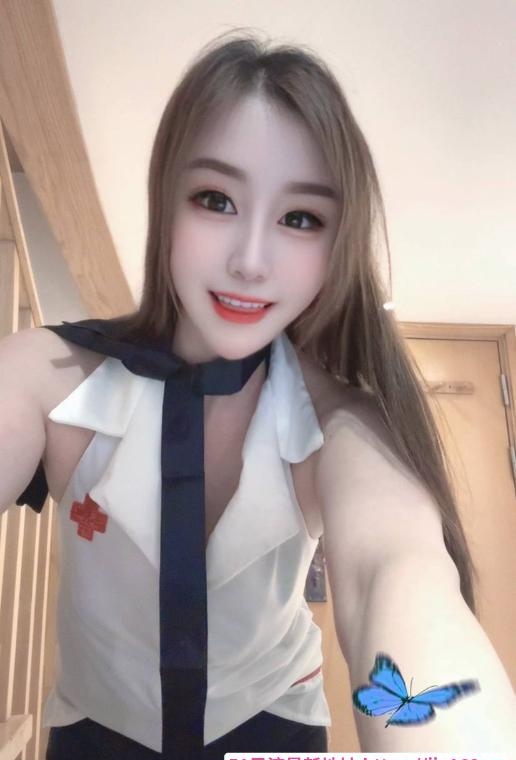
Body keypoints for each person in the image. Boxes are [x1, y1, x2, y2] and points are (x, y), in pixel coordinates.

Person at [1, 29, 515, 758]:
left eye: (300, 218)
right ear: (166, 203)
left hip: (273, 724)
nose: (250, 261)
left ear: (337, 244)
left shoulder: (341, 422)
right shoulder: (46, 375)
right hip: (95, 728)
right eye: (215, 199)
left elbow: (394, 573)